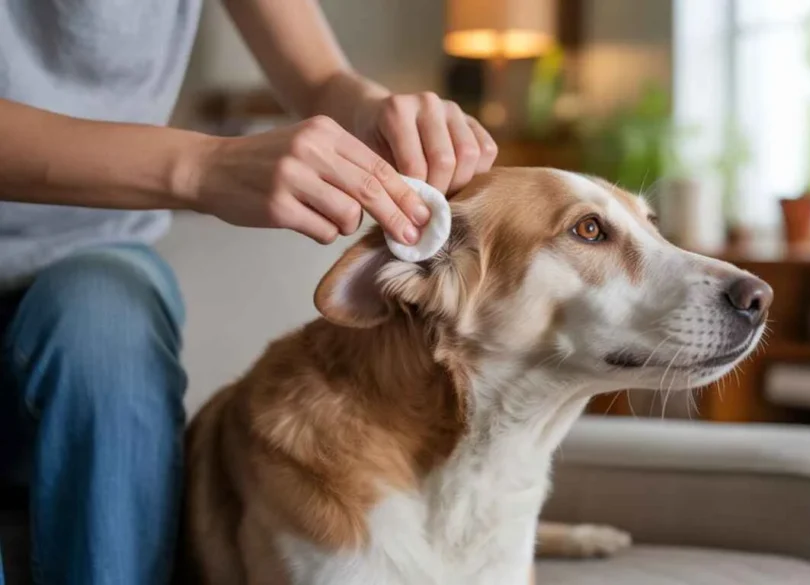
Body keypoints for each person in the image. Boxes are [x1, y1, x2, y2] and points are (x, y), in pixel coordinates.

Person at [0, 0, 497, 583]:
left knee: (107, 323)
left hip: (88, 264)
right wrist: (200, 168)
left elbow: (320, 79)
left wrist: (366, 109)